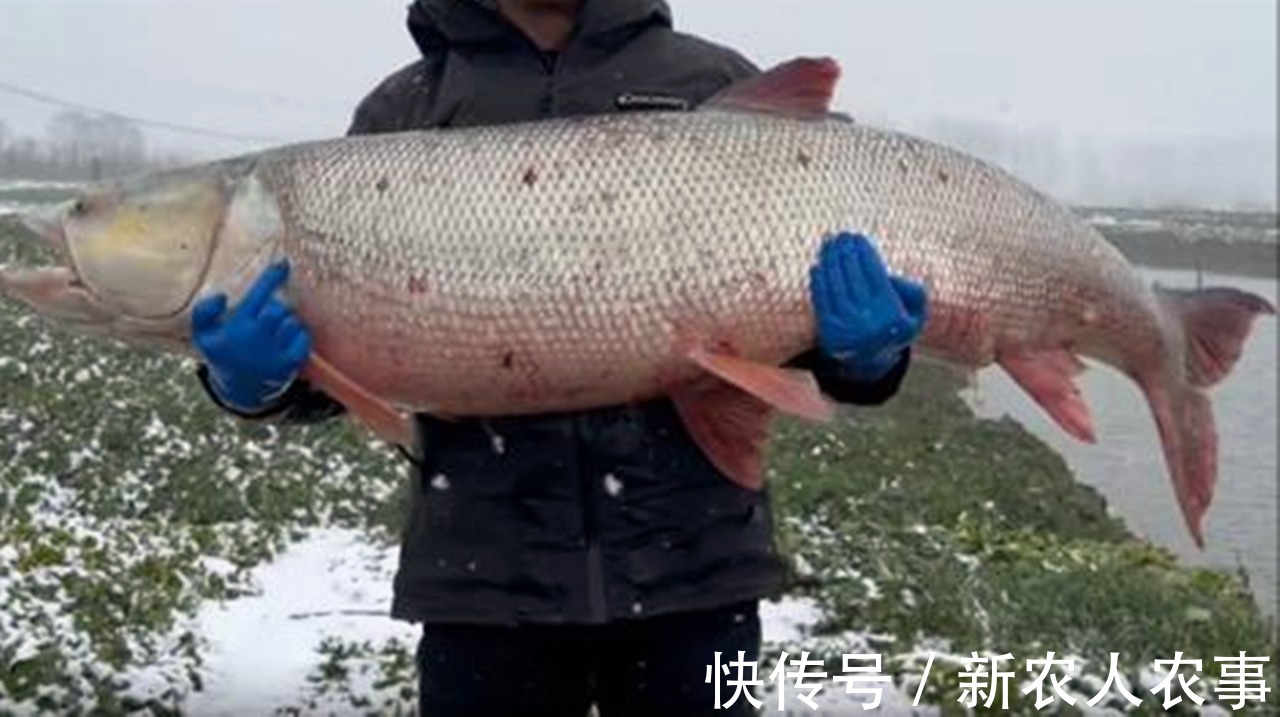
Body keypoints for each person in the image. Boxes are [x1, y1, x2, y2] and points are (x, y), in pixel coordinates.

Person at [190, 0, 928, 714]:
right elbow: (342, 366)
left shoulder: (708, 80)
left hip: (695, 571)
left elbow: (808, 317)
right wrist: (255, 383)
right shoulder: (405, 109)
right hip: (483, 586)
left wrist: (865, 358)